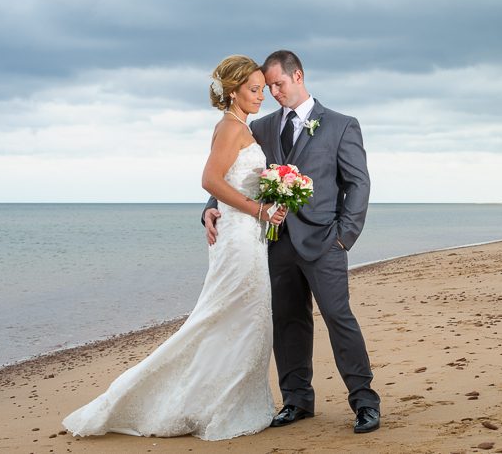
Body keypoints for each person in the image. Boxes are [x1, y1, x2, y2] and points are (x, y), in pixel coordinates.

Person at [63, 55, 287, 441]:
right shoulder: (230, 129)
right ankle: (186, 401)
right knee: (225, 318)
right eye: (253, 90)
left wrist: (266, 201)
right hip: (238, 241)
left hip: (247, 237)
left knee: (242, 320)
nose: (260, 96)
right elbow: (210, 181)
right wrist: (259, 210)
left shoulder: (238, 127)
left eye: (262, 90)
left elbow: (231, 183)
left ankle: (228, 398)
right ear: (233, 92)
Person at [203, 50, 381, 433]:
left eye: (279, 84)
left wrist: (344, 237)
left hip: (324, 243)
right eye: (267, 87)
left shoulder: (340, 125)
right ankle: (297, 400)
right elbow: (234, 174)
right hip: (274, 243)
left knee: (338, 318)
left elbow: (358, 184)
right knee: (287, 322)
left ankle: (364, 401)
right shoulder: (262, 127)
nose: (273, 93)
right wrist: (209, 207)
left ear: (298, 76)